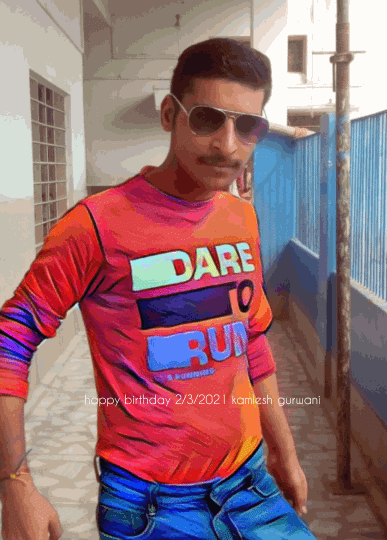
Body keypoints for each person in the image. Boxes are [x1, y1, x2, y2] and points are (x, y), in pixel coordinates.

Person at [0, 38, 316, 539]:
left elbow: (251, 341)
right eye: (208, 119)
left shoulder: (241, 218)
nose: (228, 145)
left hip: (250, 484)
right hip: (150, 507)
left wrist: (285, 454)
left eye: (247, 126)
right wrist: (14, 484)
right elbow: (10, 341)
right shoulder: (96, 225)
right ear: (170, 115)